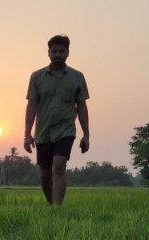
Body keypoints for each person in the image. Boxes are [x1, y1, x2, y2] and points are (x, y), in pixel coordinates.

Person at [24, 34, 90, 206]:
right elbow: (31, 106)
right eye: (54, 51)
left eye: (62, 51)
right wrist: (27, 134)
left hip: (66, 130)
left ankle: (57, 209)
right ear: (48, 53)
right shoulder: (37, 77)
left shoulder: (77, 77)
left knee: (59, 166)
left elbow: (82, 107)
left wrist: (86, 135)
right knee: (45, 174)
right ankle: (52, 204)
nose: (58, 55)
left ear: (68, 53)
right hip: (43, 131)